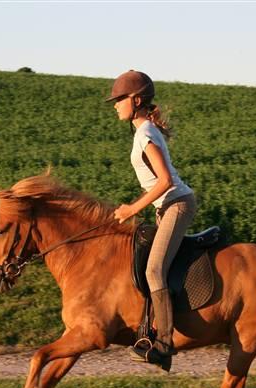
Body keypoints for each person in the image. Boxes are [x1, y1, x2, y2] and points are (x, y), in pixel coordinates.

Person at [106, 70, 196, 371]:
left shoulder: (145, 133)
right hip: (167, 207)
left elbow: (165, 180)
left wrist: (132, 209)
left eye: (120, 99)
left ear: (137, 99)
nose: (115, 104)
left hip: (177, 204)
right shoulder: (143, 131)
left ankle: (164, 345)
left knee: (154, 270)